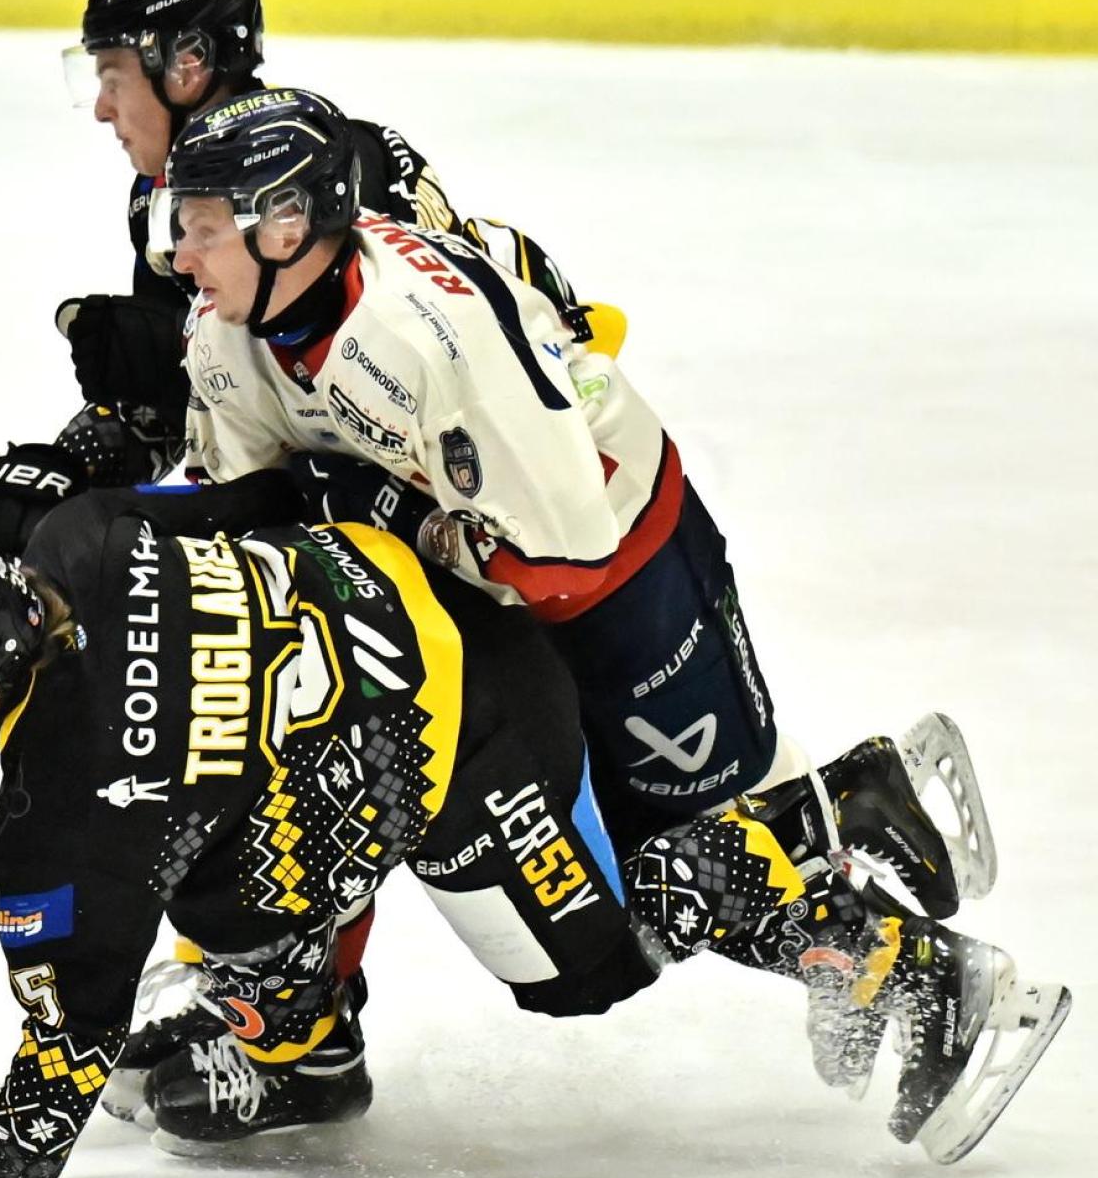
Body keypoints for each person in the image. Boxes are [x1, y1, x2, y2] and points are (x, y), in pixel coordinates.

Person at [0, 509, 1067, 1178]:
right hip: (427, 606)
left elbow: (34, 1122)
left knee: (604, 957)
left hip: (476, 746)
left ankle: (888, 917)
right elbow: (178, 485)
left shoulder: (68, 826)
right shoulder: (78, 540)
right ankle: (301, 1047)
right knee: (234, 862)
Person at [154, 85, 1016, 1080]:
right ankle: (886, 935)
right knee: (635, 889)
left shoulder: (430, 339)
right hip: (490, 602)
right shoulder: (227, 331)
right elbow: (252, 506)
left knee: (685, 857)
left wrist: (385, 518)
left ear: (290, 227)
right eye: (179, 224)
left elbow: (564, 562)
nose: (180, 254)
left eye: (205, 228)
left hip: (621, 574)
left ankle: (850, 837)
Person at [0, 0, 607, 1121]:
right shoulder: (191, 191)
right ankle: (296, 1023)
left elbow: (384, 386)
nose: (102, 104)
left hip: (464, 532)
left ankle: (298, 1026)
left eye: (114, 70)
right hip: (339, 511)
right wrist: (96, 444)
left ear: (190, 61)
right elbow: (216, 395)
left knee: (280, 700)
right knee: (260, 692)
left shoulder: (329, 171)